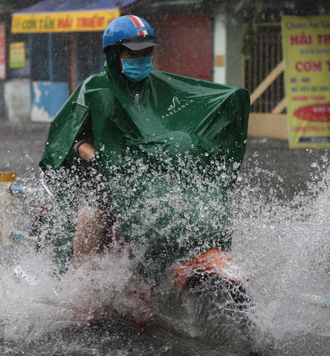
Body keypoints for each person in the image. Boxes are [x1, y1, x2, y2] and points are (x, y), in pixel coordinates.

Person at [39, 15, 250, 289]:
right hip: (105, 173)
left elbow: (201, 106)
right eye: (133, 52)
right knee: (92, 213)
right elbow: (68, 139)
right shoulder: (95, 89)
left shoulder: (164, 88)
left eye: (147, 51)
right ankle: (84, 284)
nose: (142, 58)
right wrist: (94, 155)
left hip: (151, 176)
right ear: (115, 55)